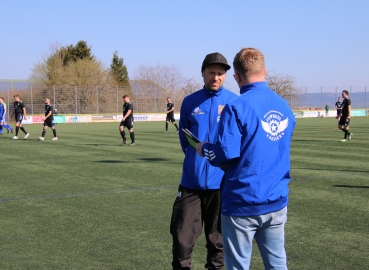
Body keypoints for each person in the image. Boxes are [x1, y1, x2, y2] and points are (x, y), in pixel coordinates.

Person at [196, 48, 296, 270]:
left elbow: (224, 153)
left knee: (238, 266)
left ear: (237, 77)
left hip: (243, 202)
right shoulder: (284, 106)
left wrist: (204, 148)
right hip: (276, 200)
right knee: (277, 263)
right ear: (265, 71)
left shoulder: (236, 107)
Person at [170, 52, 237, 270]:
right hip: (191, 184)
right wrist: (196, 165)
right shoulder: (190, 102)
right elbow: (185, 140)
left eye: (220, 73)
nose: (216, 77)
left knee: (217, 242)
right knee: (181, 239)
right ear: (203, 74)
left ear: (225, 75)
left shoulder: (235, 103)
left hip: (222, 186)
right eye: (211, 73)